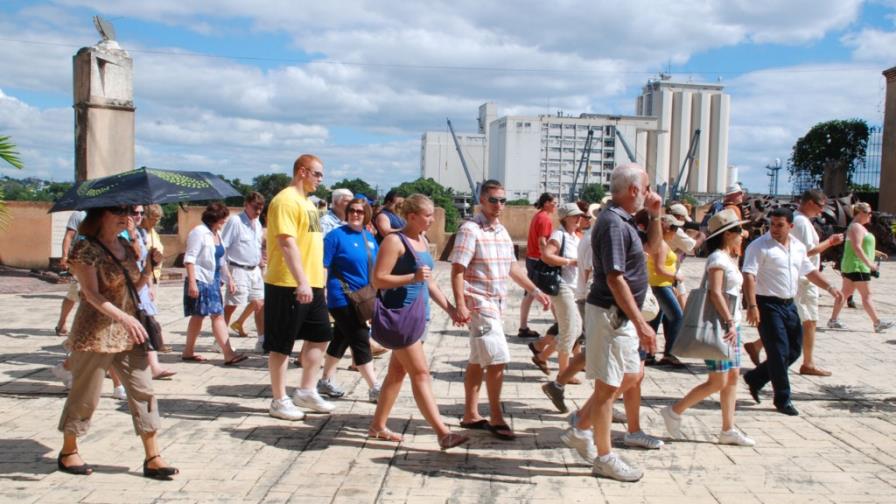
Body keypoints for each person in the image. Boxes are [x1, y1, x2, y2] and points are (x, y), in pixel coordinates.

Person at [56, 205, 178, 479]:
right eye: (119, 211)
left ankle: (153, 456)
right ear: (101, 215)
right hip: (95, 334)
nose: (127, 217)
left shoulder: (125, 246)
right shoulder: (85, 248)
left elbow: (135, 287)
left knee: (144, 391)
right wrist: (124, 318)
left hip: (129, 333)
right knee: (86, 395)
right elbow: (91, 294)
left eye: (129, 212)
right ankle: (69, 450)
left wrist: (150, 266)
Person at [576, 163, 663, 482]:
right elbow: (615, 278)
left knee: (631, 374)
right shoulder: (613, 223)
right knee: (607, 385)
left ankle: (580, 427)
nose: (650, 193)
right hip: (610, 314)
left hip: (620, 315)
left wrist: (655, 216)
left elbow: (652, 249)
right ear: (634, 189)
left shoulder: (624, 220)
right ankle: (604, 456)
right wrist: (642, 324)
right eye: (647, 187)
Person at [449, 181, 550, 441]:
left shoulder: (502, 231)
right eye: (493, 200)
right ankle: (496, 417)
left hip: (496, 304)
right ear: (482, 201)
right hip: (479, 303)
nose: (499, 205)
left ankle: (470, 414)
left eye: (503, 200)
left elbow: (512, 268)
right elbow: (458, 269)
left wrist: (534, 290)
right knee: (497, 359)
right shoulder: (470, 230)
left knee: (477, 359)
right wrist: (460, 304)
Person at [369, 194, 469, 450]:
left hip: (418, 315)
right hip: (401, 318)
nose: (432, 219)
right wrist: (410, 278)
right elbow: (378, 279)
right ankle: (443, 433)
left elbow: (429, 281)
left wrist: (450, 309)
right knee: (421, 373)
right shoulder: (394, 241)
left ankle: (378, 425)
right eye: (428, 215)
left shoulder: (422, 239)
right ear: (412, 216)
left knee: (397, 373)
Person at [660, 209, 755, 446]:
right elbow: (714, 292)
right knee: (718, 381)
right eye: (738, 230)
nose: (742, 234)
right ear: (727, 234)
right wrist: (729, 321)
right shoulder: (717, 259)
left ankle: (728, 428)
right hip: (720, 326)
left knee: (732, 377)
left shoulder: (727, 257)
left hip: (731, 325)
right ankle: (675, 410)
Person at [742, 208, 843, 416]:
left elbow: (810, 271)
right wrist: (752, 306)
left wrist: (830, 287)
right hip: (767, 305)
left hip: (789, 304)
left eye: (780, 225)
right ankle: (783, 399)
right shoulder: (759, 246)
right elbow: (749, 276)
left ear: (791, 226)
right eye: (772, 224)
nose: (775, 229)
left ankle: (755, 377)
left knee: (794, 350)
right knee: (778, 352)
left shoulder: (798, 247)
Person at [264, 154, 335, 421]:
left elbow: (313, 243)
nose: (320, 179)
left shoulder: (309, 204)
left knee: (321, 335)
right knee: (282, 343)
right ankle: (279, 399)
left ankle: (306, 390)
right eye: (317, 174)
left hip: (313, 282)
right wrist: (302, 281)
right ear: (302, 172)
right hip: (287, 282)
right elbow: (286, 242)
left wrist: (318, 281)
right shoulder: (285, 200)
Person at [317, 198, 381, 402]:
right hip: (341, 296)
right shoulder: (335, 236)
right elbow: (324, 265)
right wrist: (322, 290)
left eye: (360, 211)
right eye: (352, 210)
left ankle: (325, 381)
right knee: (360, 338)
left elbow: (377, 265)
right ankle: (374, 387)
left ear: (366, 214)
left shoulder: (368, 237)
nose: (355, 214)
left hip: (363, 297)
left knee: (341, 337)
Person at [181, 203, 248, 366]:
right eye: (222, 219)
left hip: (214, 280)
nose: (224, 222)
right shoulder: (199, 232)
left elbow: (221, 260)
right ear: (214, 218)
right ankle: (227, 353)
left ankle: (189, 351)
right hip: (200, 279)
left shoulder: (217, 234)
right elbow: (189, 259)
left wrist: (229, 279)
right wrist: (192, 283)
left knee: (205, 315)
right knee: (210, 315)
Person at [532, 202, 583, 382]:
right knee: (570, 330)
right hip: (561, 286)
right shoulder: (559, 235)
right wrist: (569, 262)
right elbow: (546, 255)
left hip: (572, 287)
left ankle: (542, 356)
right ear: (565, 218)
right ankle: (563, 373)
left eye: (579, 215)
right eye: (575, 215)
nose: (579, 218)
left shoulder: (575, 237)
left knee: (576, 329)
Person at [828, 202, 894, 333]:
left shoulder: (857, 227)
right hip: (858, 266)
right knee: (867, 295)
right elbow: (857, 248)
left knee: (845, 293)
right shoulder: (856, 227)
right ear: (860, 213)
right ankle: (877, 323)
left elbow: (861, 246)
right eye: (869, 213)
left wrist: (876, 253)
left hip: (853, 265)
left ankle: (833, 320)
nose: (871, 215)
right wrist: (870, 264)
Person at [128, 205, 175, 381]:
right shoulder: (125, 234)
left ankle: (154, 366)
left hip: (144, 283)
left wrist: (150, 285)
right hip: (129, 285)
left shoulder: (143, 233)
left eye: (141, 213)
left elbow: (144, 262)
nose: (138, 216)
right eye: (135, 212)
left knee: (147, 323)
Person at [221, 192, 266, 348]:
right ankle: (220, 339)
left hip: (254, 270)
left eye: (260, 208)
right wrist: (226, 275)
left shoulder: (257, 224)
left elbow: (256, 245)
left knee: (259, 303)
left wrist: (260, 260)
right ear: (246, 205)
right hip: (238, 268)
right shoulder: (236, 221)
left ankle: (262, 340)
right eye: (255, 207)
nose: (258, 211)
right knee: (232, 305)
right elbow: (224, 247)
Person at [645, 214, 685, 367]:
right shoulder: (661, 245)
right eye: (675, 228)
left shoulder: (661, 243)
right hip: (660, 285)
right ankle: (669, 353)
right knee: (677, 317)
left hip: (662, 284)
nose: (676, 231)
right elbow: (659, 268)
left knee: (656, 320)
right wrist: (676, 276)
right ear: (667, 229)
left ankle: (648, 354)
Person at [519, 192, 557, 339]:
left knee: (530, 292)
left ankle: (523, 327)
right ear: (546, 203)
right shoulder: (545, 218)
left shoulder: (538, 216)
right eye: (554, 203)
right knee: (553, 291)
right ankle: (560, 325)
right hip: (538, 260)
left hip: (532, 258)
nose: (555, 205)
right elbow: (542, 241)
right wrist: (548, 259)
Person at [56, 210, 87, 336]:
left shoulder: (104, 213)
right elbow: (69, 236)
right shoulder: (79, 215)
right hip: (79, 259)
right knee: (75, 293)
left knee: (80, 294)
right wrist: (64, 256)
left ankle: (64, 324)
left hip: (97, 259)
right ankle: (62, 323)